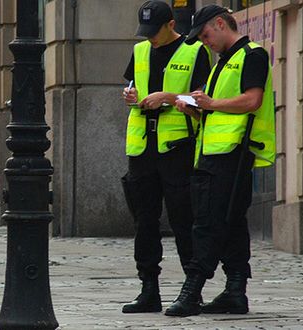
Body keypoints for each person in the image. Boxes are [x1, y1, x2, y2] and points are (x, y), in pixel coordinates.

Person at [164, 4, 276, 317]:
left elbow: (251, 100)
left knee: (207, 224)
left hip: (233, 152)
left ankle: (193, 289)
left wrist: (211, 102)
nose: (204, 41)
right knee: (230, 222)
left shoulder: (251, 55)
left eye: (206, 34)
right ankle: (235, 290)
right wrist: (198, 109)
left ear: (220, 23)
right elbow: (220, 110)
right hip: (215, 152)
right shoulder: (223, 62)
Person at [121, 0, 211, 314]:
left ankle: (192, 288)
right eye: (145, 31)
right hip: (143, 148)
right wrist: (131, 96)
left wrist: (169, 98)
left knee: (183, 219)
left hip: (177, 148)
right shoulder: (140, 51)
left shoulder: (194, 51)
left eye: (154, 31)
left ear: (171, 24)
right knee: (144, 221)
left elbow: (203, 101)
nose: (150, 37)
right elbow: (132, 87)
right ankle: (148, 288)